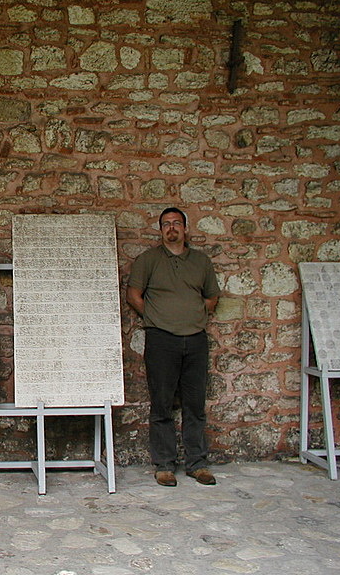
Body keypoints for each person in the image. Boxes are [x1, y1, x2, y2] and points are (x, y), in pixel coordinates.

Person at [126, 207, 220, 487]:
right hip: (161, 339)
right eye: (166, 224)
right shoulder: (148, 260)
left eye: (176, 223)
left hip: (195, 339)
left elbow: (211, 298)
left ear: (185, 228)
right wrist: (157, 317)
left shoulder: (201, 261)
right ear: (160, 230)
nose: (171, 228)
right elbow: (133, 295)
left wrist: (192, 316)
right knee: (162, 403)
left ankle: (197, 463)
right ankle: (164, 464)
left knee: (195, 404)